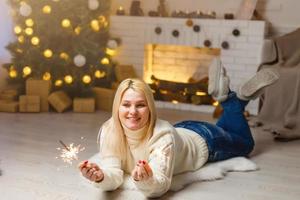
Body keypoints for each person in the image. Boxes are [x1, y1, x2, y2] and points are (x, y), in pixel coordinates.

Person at [78, 57, 279, 198]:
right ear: (117, 106)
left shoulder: (161, 136)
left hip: (206, 142)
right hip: (182, 131)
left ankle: (233, 102)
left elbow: (161, 185)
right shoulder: (109, 132)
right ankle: (232, 101)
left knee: (245, 144)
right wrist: (101, 177)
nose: (133, 112)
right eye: (126, 105)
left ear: (150, 108)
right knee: (227, 129)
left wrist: (146, 180)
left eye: (140, 105)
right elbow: (113, 171)